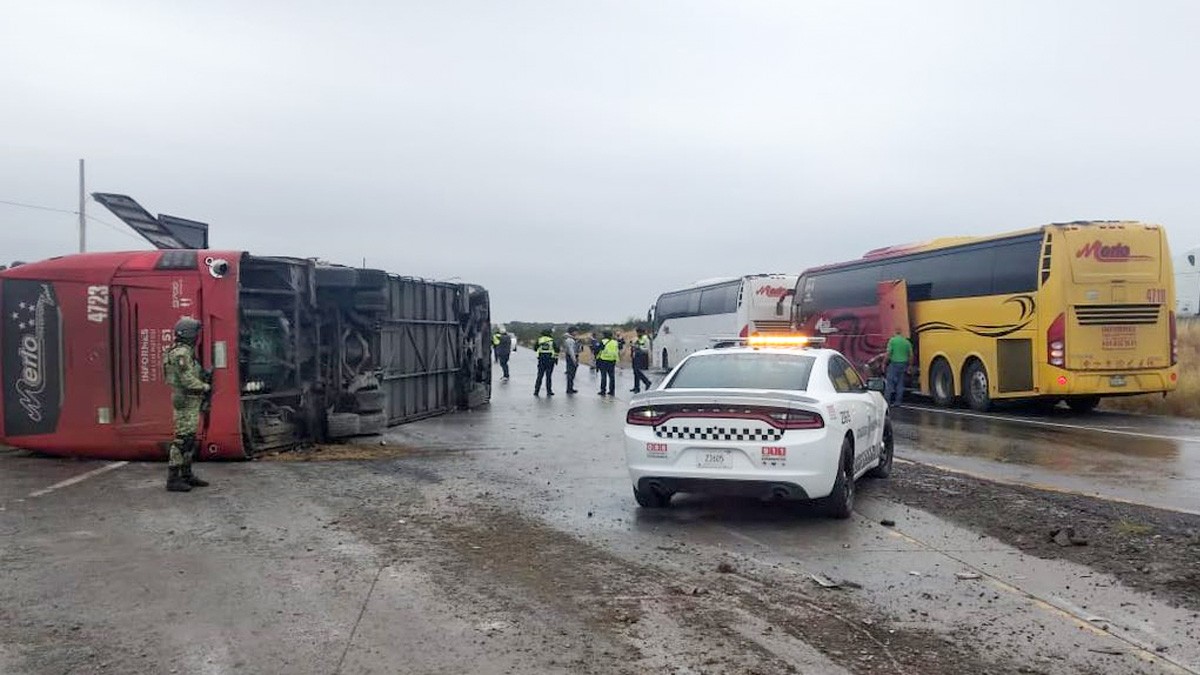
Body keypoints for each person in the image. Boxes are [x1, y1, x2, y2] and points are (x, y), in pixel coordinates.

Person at [163, 317, 212, 492]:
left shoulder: (185, 351)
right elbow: (187, 380)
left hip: (190, 399)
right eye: (196, 333)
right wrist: (205, 386)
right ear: (190, 334)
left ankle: (186, 474)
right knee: (183, 439)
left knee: (190, 439)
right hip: (186, 398)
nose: (197, 336)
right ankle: (173, 478)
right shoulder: (181, 354)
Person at [883, 327, 914, 406]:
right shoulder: (906, 342)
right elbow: (911, 355)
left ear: (895, 332)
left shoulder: (892, 341)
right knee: (900, 384)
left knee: (890, 383)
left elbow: (888, 353)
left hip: (894, 364)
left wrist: (884, 363)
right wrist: (910, 366)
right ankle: (898, 402)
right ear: (901, 332)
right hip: (903, 364)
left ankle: (887, 402)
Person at [533, 327, 558, 396]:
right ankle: (549, 391)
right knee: (548, 376)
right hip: (550, 359)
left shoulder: (539, 340)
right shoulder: (552, 340)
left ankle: (536, 391)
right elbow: (557, 349)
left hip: (541, 359)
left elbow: (535, 348)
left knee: (539, 376)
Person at [596, 330, 620, 396]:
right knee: (612, 376)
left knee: (603, 376)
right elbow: (618, 349)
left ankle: (603, 390)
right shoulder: (615, 342)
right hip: (612, 360)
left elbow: (598, 350)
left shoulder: (603, 342)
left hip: (603, 360)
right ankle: (612, 391)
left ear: (604, 335)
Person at [630, 327, 652, 393]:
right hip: (635, 356)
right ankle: (636, 387)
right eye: (637, 332)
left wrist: (639, 348)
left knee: (637, 370)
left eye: (639, 332)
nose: (638, 334)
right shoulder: (637, 338)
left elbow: (647, 349)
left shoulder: (646, 339)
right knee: (635, 372)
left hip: (641, 356)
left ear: (642, 332)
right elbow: (634, 345)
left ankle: (647, 382)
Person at [562, 326, 580, 394]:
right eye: (576, 331)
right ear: (572, 332)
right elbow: (571, 350)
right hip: (571, 357)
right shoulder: (570, 340)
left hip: (572, 356)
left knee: (572, 373)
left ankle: (570, 387)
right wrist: (574, 360)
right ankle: (569, 389)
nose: (577, 333)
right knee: (571, 373)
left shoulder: (572, 339)